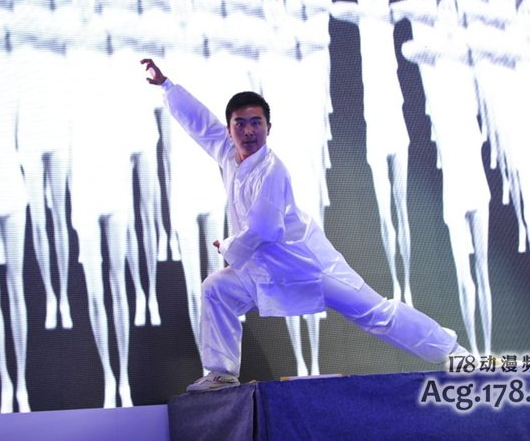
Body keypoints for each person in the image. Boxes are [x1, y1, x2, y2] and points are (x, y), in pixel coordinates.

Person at [140, 58, 465, 391]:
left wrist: (226, 246)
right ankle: (221, 373)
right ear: (229, 128)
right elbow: (201, 123)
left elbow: (265, 229)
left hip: (309, 265)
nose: (248, 131)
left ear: (268, 127)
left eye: (256, 123)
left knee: (375, 314)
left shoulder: (271, 170)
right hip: (265, 267)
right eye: (240, 123)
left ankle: (456, 354)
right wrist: (167, 86)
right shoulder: (226, 151)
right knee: (217, 289)